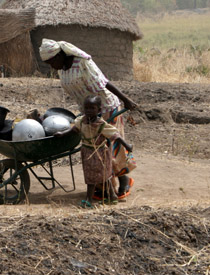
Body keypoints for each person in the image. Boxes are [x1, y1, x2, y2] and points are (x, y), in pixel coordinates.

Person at [39, 38, 137, 199]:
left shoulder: (82, 63)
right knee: (95, 151)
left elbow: (104, 83)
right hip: (89, 113)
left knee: (111, 149)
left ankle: (124, 180)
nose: (51, 66)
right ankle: (104, 187)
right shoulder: (62, 69)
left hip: (106, 108)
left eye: (51, 62)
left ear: (59, 55)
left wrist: (125, 99)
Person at [55, 96, 131, 208]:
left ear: (99, 110)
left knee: (99, 177)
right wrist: (62, 134)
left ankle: (88, 200)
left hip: (100, 153)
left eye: (92, 108)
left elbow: (115, 135)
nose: (89, 110)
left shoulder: (101, 124)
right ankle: (112, 196)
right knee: (100, 176)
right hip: (87, 152)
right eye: (87, 108)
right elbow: (74, 130)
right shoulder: (81, 121)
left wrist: (127, 146)